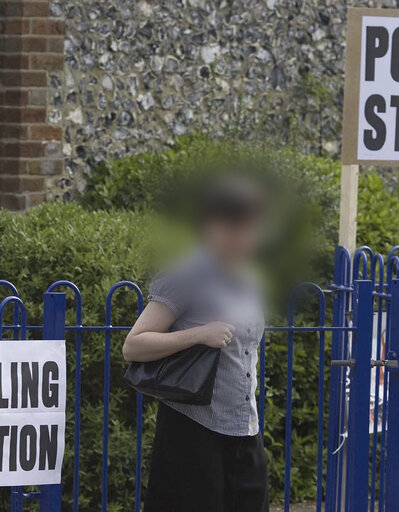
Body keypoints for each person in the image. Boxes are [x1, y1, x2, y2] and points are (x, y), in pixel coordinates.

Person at [123, 175, 269, 512]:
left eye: (248, 227)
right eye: (233, 226)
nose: (242, 236)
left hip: (245, 427)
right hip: (193, 429)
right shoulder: (187, 274)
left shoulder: (250, 278)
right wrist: (199, 334)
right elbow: (134, 345)